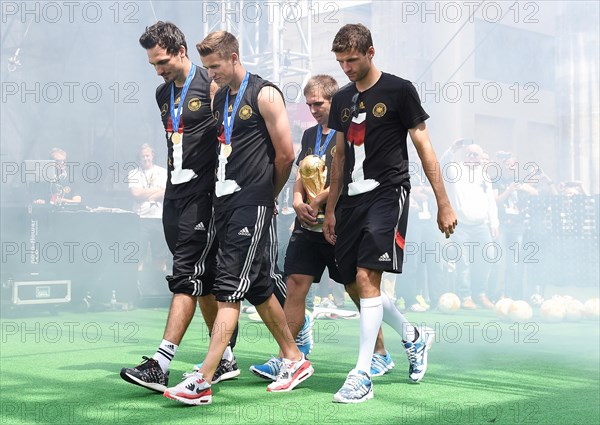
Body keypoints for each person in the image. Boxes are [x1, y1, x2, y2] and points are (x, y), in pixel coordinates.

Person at [162, 30, 313, 406]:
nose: (210, 74)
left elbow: (285, 155)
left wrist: (267, 197)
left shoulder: (264, 93)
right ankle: (293, 358)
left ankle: (205, 378)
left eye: (215, 66)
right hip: (224, 203)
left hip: (252, 203)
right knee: (258, 287)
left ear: (233, 57)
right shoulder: (217, 96)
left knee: (229, 285)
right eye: (207, 67)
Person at [323, 24, 457, 403]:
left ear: (371, 52)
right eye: (340, 61)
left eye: (352, 59)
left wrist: (443, 202)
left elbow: (424, 146)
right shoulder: (342, 99)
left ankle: (362, 373)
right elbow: (339, 156)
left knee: (368, 277)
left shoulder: (399, 90)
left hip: (388, 193)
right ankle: (413, 337)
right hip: (350, 199)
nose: (346, 67)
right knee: (352, 282)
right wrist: (331, 207)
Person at [250, 75, 395, 381]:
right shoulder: (309, 134)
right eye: (309, 104)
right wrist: (297, 199)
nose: (313, 109)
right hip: (307, 224)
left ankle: (381, 353)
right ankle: (288, 356)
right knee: (295, 284)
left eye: (319, 103)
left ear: (334, 100)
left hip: (339, 223)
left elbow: (345, 175)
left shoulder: (352, 132)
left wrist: (318, 204)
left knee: (356, 289)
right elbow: (302, 171)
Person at [120, 21, 239, 395]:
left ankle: (162, 361)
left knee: (186, 272)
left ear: (181, 51)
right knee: (200, 279)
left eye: (162, 60)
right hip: (173, 195)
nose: (158, 69)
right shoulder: (162, 94)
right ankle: (225, 357)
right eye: (153, 64)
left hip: (204, 196)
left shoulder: (213, 83)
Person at [441, 140, 498, 309]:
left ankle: (480, 293)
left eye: (476, 155)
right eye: (469, 154)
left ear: (481, 158)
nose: (472, 157)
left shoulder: (485, 175)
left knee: (489, 256)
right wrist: (452, 149)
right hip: (462, 226)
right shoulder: (457, 169)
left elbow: (490, 201)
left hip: (481, 225)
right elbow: (444, 163)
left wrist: (494, 222)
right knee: (463, 262)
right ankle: (465, 296)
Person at [127, 143, 168, 273]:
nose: (145, 158)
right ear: (139, 158)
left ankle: (159, 282)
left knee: (159, 254)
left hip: (159, 218)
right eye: (143, 156)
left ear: (152, 156)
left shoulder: (163, 172)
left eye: (147, 155)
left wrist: (149, 195)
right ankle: (137, 283)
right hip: (141, 219)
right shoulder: (134, 173)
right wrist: (156, 190)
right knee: (139, 254)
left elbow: (167, 193)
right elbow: (136, 194)